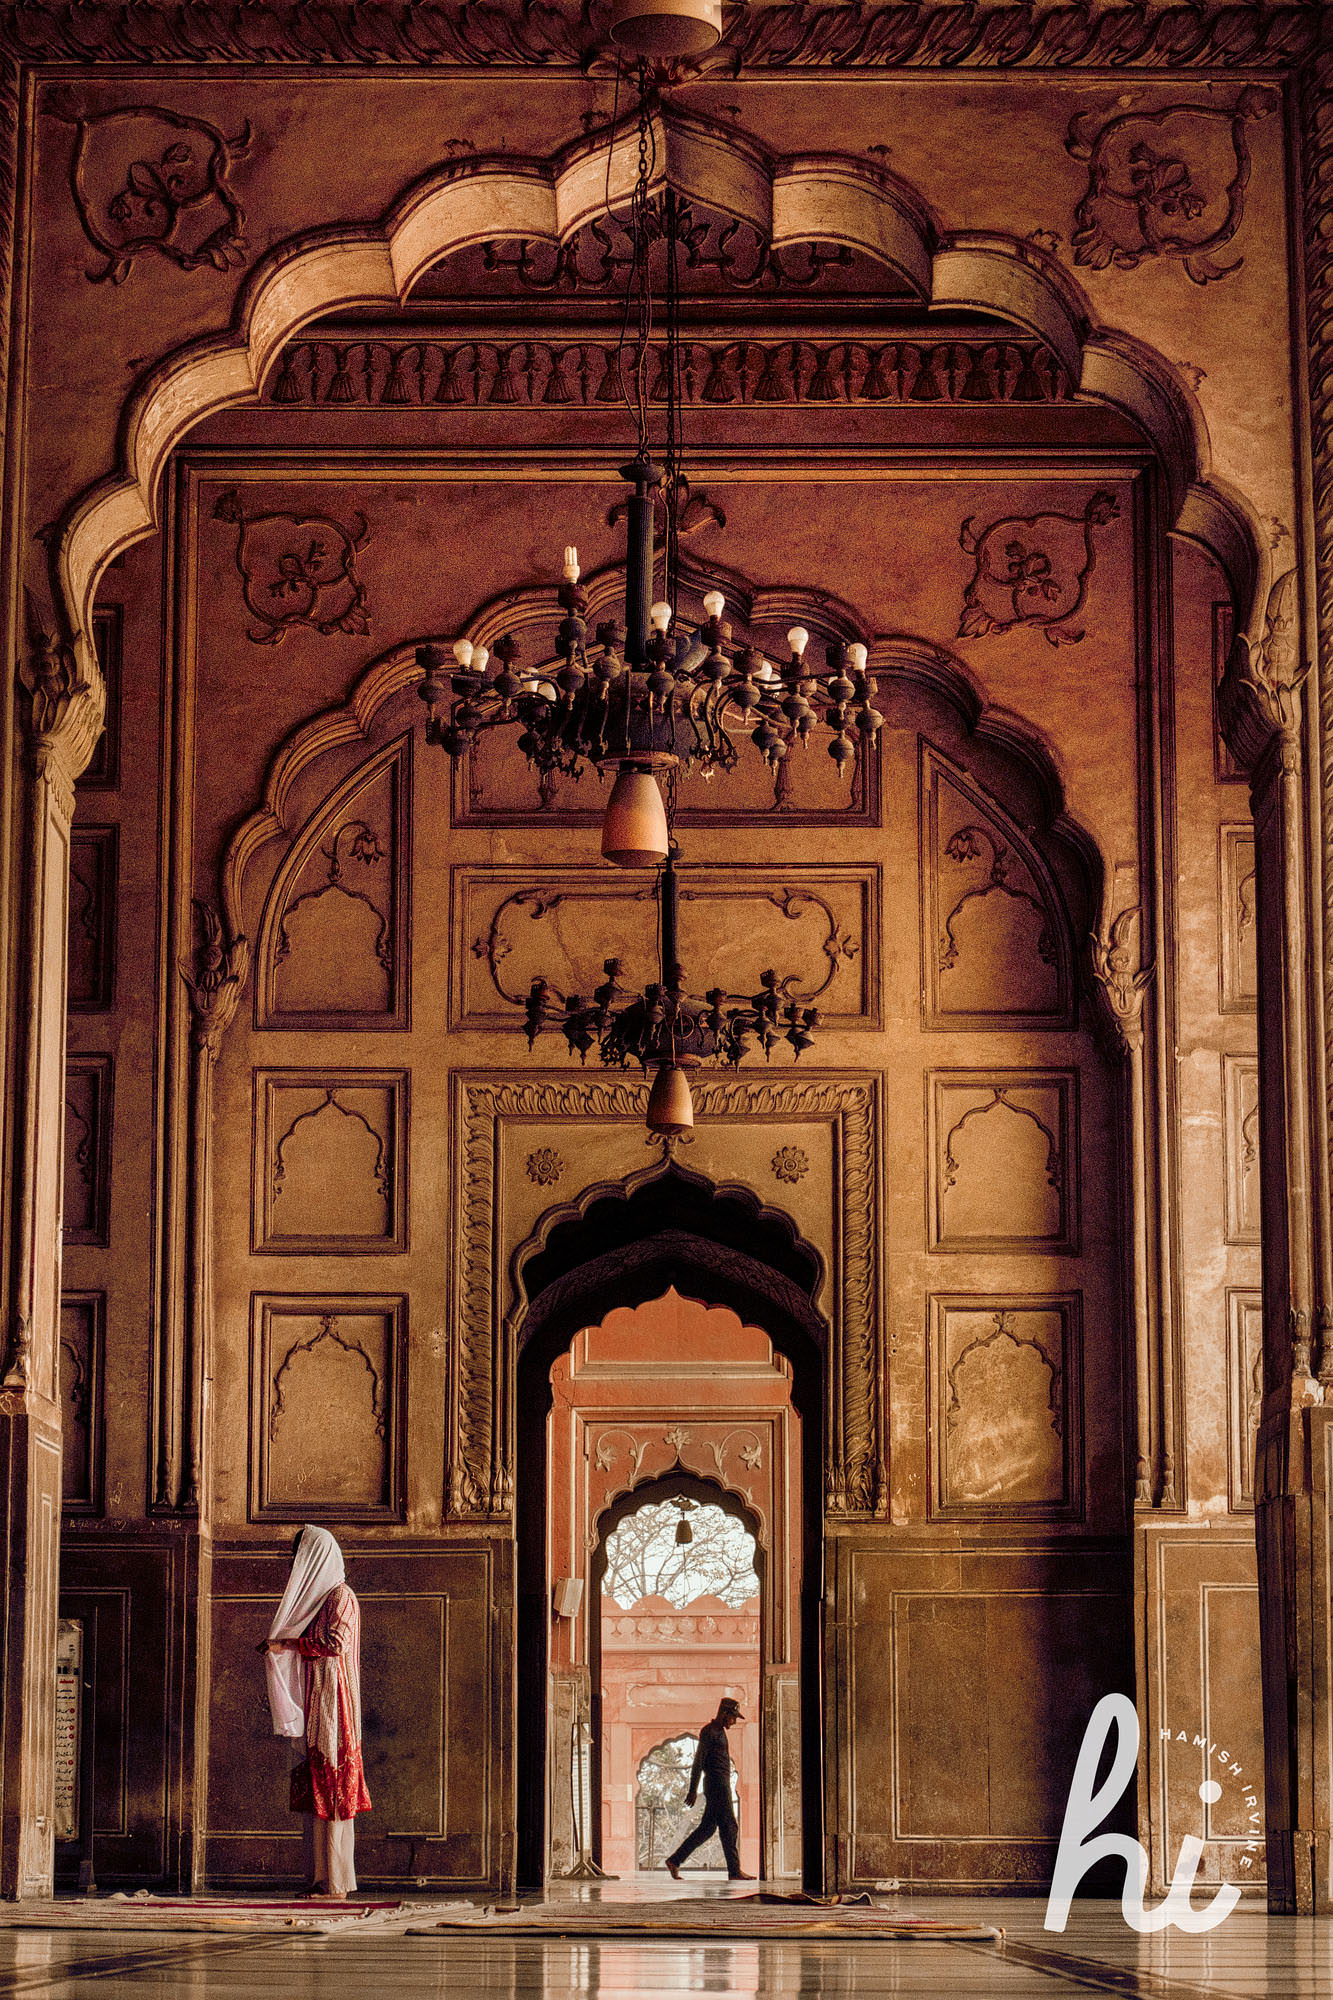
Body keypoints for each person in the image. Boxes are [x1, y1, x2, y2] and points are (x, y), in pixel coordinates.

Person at [259, 1525, 371, 1896]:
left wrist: (286, 1643)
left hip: (336, 1705)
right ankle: (325, 1880)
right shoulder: (323, 1601)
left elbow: (334, 1643)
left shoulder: (342, 1597)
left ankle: (337, 1882)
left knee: (336, 1788)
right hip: (321, 1702)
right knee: (323, 1789)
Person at [665, 1696, 755, 1882]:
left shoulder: (719, 1731)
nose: (734, 1721)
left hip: (720, 1784)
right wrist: (692, 1789)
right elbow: (699, 1762)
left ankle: (675, 1860)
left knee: (707, 1829)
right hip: (716, 1785)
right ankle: (734, 1871)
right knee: (730, 1826)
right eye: (733, 1717)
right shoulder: (710, 1732)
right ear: (724, 1714)